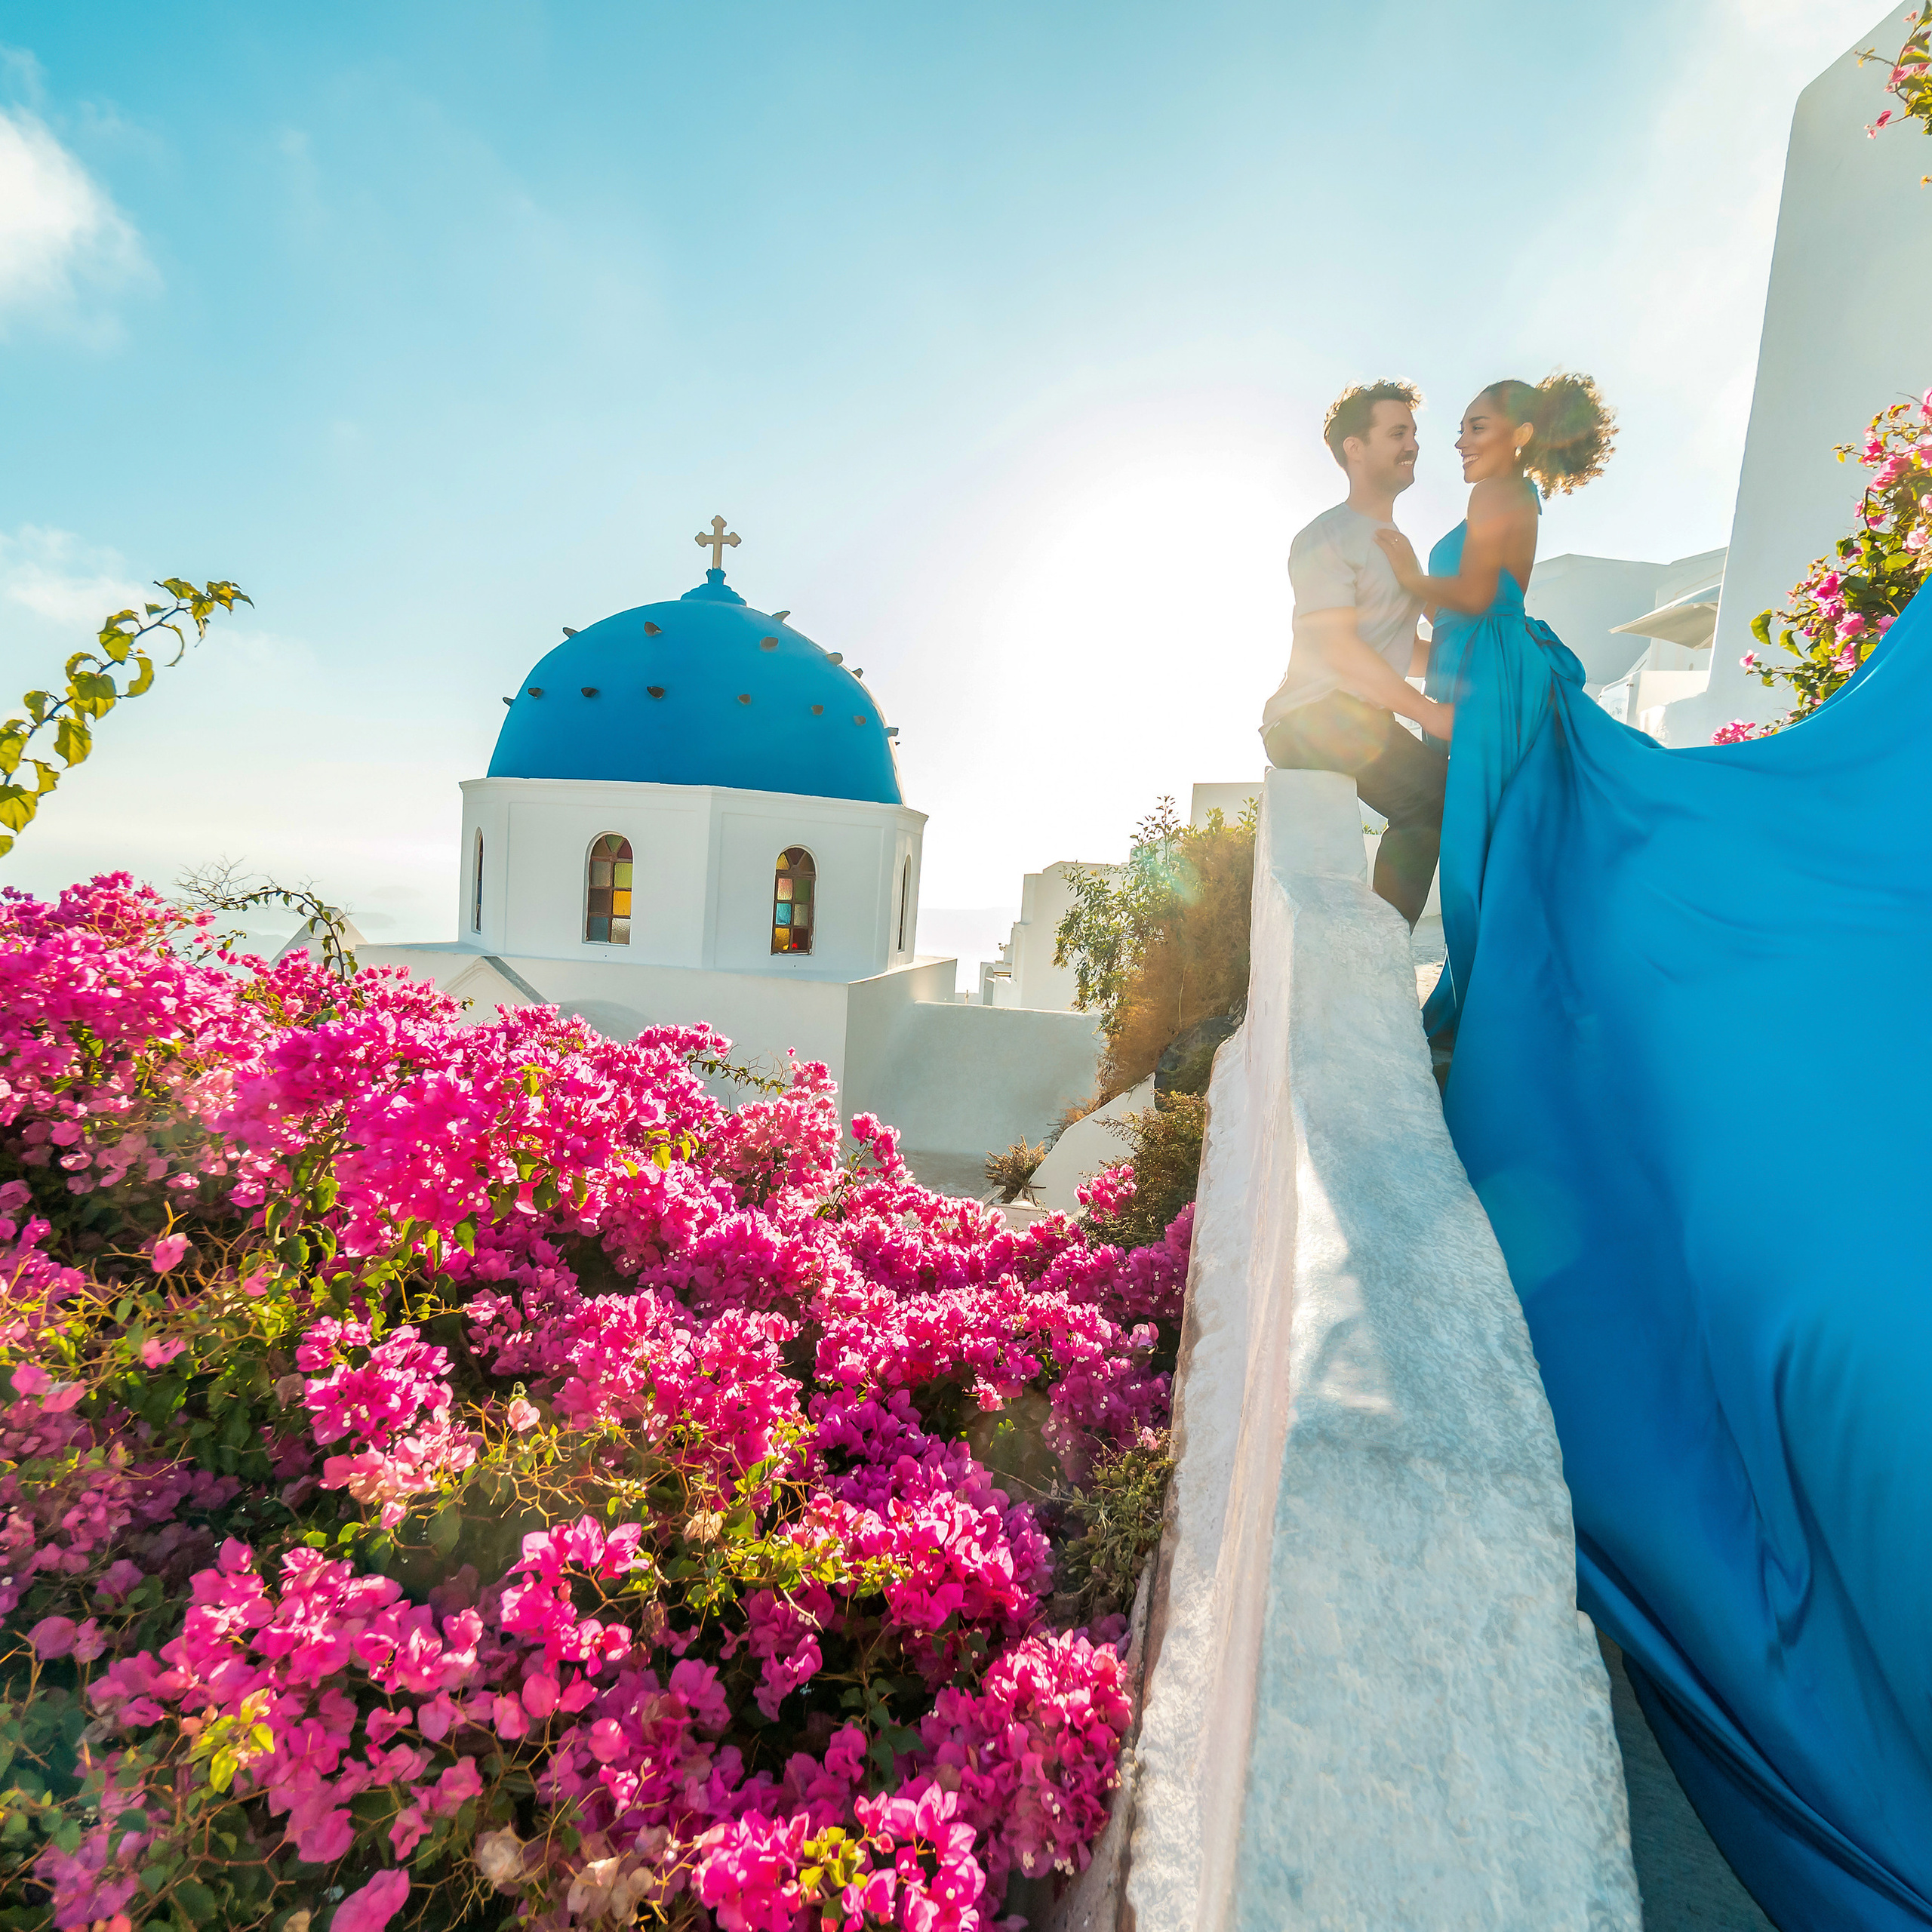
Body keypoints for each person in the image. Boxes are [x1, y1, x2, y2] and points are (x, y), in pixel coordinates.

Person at [1379, 371, 1932, 1930]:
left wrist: (1345, 577)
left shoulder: (1496, 511)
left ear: (1514, 438)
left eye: (1480, 415)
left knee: (1556, 961)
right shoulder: (1494, 501)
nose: (1466, 432)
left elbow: (1470, 605)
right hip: (1489, 726)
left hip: (1511, 738)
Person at [1261, 380, 1452, 928]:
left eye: (1414, 433)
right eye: (1397, 432)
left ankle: (1388, 942)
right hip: (1309, 716)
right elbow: (1341, 650)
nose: (1412, 444)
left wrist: (1480, 678)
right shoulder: (1326, 537)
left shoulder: (1397, 543)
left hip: (1355, 715)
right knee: (1431, 800)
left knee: (1448, 789)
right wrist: (1431, 713)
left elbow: (1403, 650)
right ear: (1355, 447)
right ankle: (1378, 953)